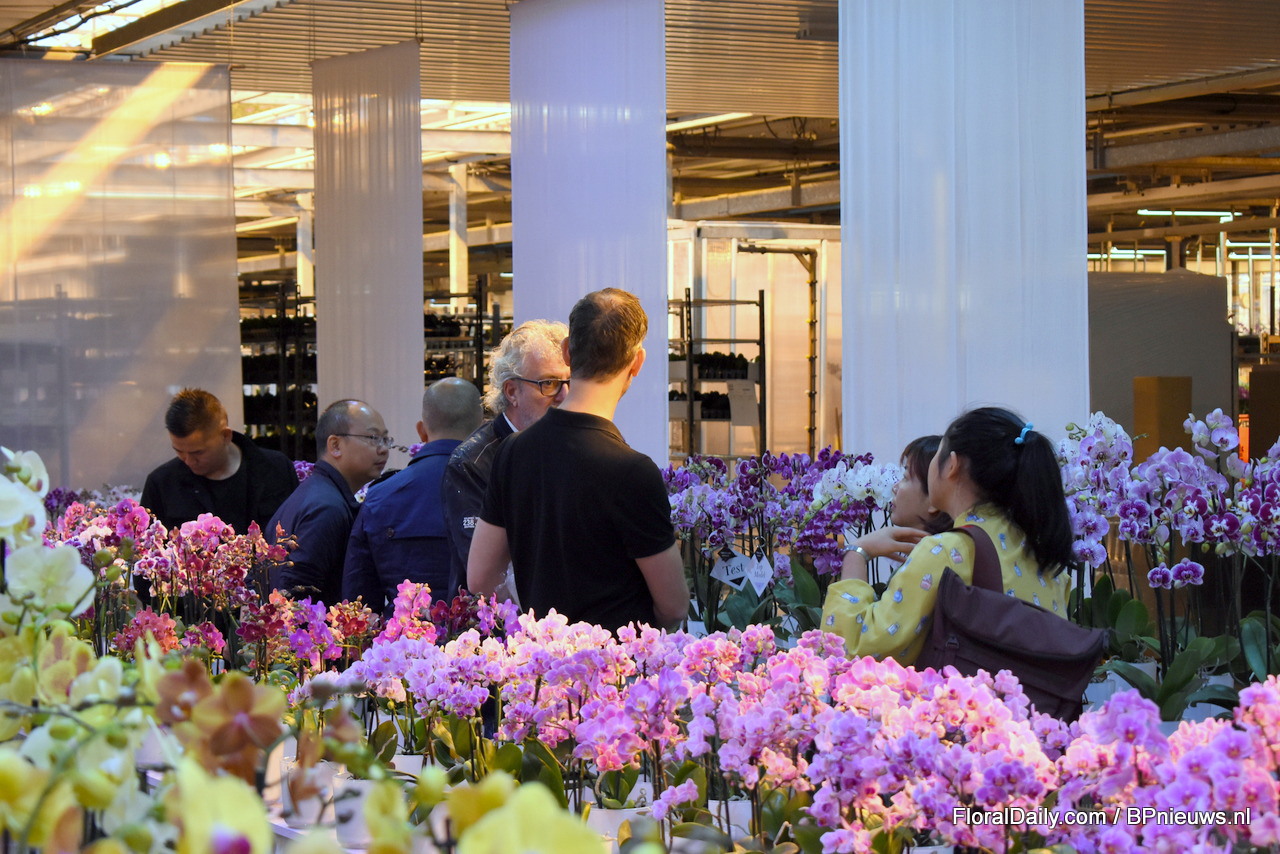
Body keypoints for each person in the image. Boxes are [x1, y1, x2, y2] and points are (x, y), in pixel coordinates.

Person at [467, 288, 689, 631]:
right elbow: (673, 607)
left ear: (567, 351)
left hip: (539, 656)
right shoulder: (633, 471)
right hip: (615, 660)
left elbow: (480, 579)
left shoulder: (512, 451)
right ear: (637, 362)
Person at [821, 407, 1074, 663]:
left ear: (952, 464)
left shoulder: (945, 551)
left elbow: (853, 650)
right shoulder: (1045, 559)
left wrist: (857, 553)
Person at [440, 320, 570, 597]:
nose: (564, 395)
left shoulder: (570, 447)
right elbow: (489, 577)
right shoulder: (472, 462)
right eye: (549, 383)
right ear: (511, 392)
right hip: (498, 619)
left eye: (570, 382)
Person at [341, 378, 483, 615]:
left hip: (405, 636)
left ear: (422, 431)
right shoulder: (500, 490)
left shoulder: (381, 496)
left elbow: (359, 599)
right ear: (481, 430)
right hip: (485, 634)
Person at [268, 399, 389, 605]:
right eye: (373, 438)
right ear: (335, 445)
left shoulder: (317, 494)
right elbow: (294, 599)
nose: (383, 449)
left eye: (385, 439)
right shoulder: (326, 508)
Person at [140, 388, 297, 534]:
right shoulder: (161, 483)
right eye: (179, 451)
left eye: (198, 452)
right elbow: (146, 547)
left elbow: (298, 532)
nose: (188, 461)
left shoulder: (277, 468)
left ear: (225, 436)